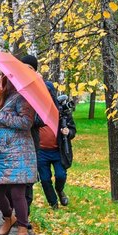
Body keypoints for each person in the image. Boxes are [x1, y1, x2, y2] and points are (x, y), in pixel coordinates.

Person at [0, 73, 37, 235]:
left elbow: (26, 122)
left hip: (19, 153)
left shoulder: (24, 97)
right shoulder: (5, 95)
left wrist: (0, 116)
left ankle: (23, 232)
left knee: (17, 194)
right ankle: (9, 217)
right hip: (2, 154)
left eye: (3, 76)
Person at [20, 54, 76, 210]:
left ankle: (60, 190)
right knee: (44, 179)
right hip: (41, 151)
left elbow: (72, 129)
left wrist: (68, 132)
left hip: (57, 149)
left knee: (60, 175)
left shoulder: (60, 111)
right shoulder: (33, 106)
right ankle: (53, 203)